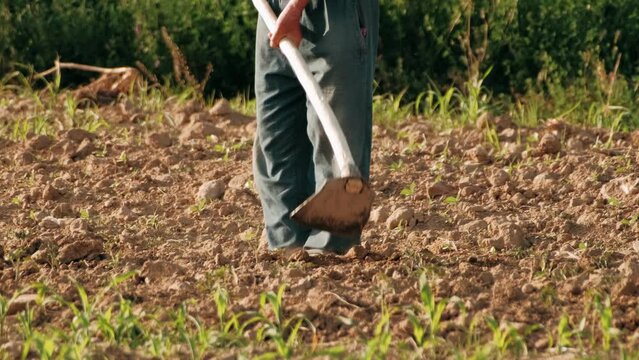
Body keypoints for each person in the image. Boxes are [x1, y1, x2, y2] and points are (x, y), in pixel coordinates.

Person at [253, 0, 379, 255]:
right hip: (272, 8)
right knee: (275, 135)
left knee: (334, 133)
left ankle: (330, 251)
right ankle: (287, 246)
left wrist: (297, 7)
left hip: (331, 11)